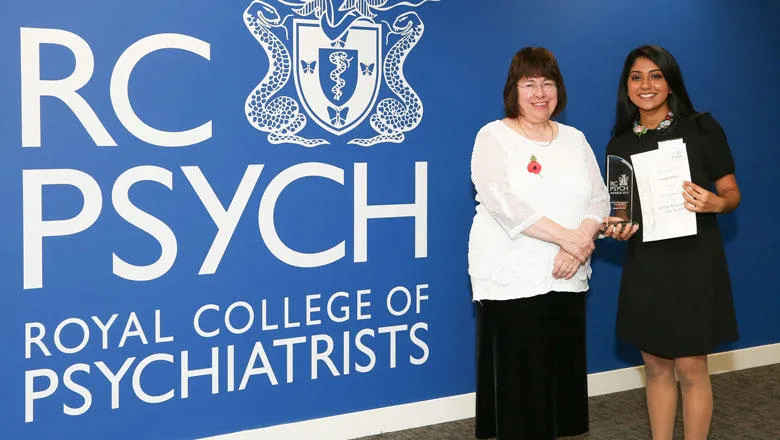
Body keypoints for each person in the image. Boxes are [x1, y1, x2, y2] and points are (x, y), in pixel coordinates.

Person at [469, 47, 609, 439]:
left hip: (567, 274)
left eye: (548, 83)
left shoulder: (575, 139)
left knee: (558, 382)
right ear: (513, 90)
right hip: (513, 277)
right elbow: (503, 203)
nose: (540, 93)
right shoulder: (493, 136)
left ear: (559, 89)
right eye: (529, 83)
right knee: (521, 389)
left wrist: (577, 243)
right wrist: (570, 239)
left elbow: (598, 199)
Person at [603, 45, 741, 440]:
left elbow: (732, 193)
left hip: (694, 262)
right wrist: (617, 227)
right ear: (626, 86)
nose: (646, 85)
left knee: (692, 368)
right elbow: (621, 211)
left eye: (655, 75)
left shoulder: (702, 128)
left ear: (670, 81)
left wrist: (717, 202)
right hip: (646, 263)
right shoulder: (619, 145)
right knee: (656, 366)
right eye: (636, 77)